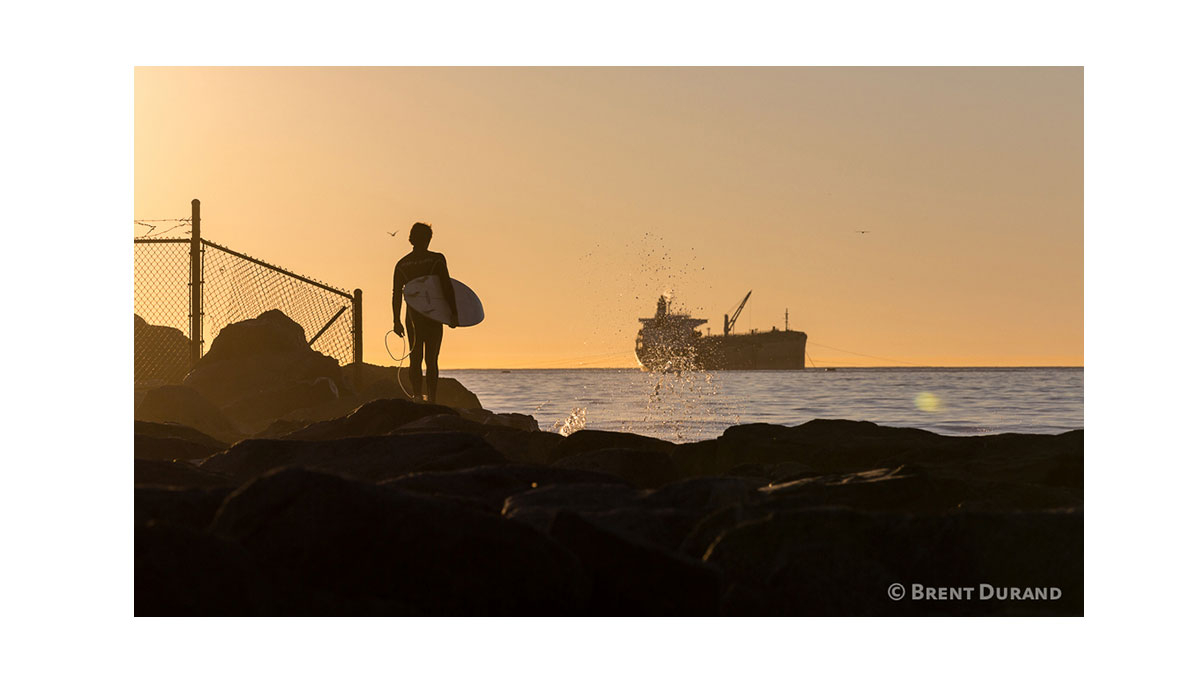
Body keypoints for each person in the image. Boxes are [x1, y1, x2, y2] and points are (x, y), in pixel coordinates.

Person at [393, 222, 458, 403]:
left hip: (412, 317)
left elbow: (397, 294)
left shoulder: (402, 264)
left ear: (411, 239)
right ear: (428, 239)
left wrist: (396, 321)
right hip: (433, 315)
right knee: (431, 358)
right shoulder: (436, 259)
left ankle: (416, 396)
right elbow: (446, 287)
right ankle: (432, 399)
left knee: (415, 358)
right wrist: (453, 313)